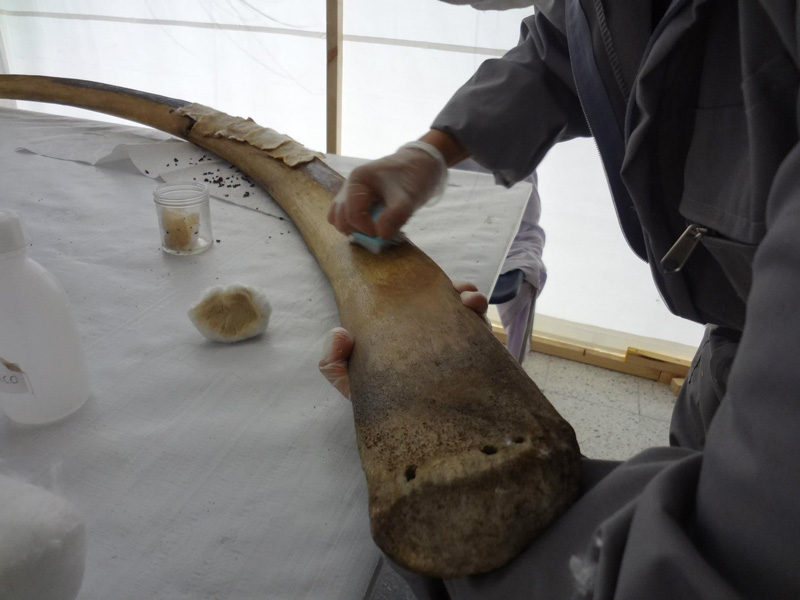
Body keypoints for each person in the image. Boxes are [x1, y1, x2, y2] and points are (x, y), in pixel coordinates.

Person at [322, 1, 800, 598]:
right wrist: (434, 149)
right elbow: (566, 46)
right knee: (689, 459)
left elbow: (725, 561)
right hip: (731, 335)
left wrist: (440, 449)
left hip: (773, 349)